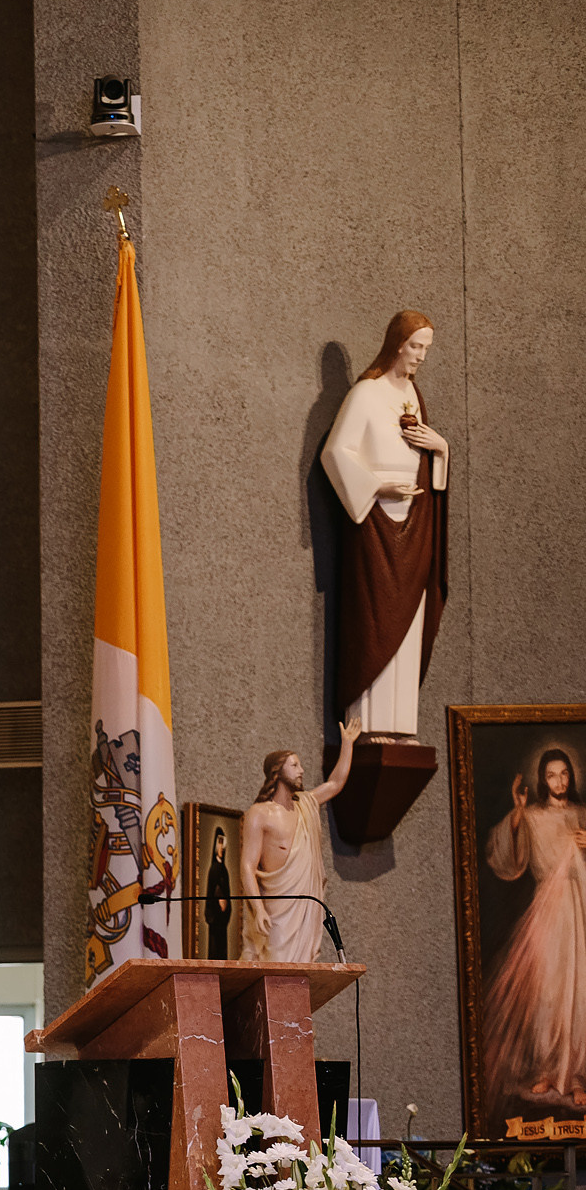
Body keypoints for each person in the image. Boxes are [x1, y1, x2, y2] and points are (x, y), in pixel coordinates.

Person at [321, 311, 449, 739]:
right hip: (374, 522)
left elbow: (427, 465)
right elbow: (335, 453)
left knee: (410, 623)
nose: (421, 356)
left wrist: (441, 449)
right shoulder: (366, 394)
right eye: (416, 346)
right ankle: (368, 728)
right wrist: (378, 486)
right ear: (397, 343)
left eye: (427, 348)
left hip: (415, 524)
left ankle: (401, 727)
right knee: (376, 618)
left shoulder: (413, 395)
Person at [481, 748, 586, 1110]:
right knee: (547, 993)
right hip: (547, 911)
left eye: (564, 773)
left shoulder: (581, 815)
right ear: (543, 779)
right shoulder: (533, 816)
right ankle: (547, 1068)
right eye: (552, 775)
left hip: (579, 907)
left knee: (578, 991)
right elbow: (506, 856)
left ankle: (575, 1075)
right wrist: (517, 812)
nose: (559, 781)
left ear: (571, 776)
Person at [239, 719, 361, 963]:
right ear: (277, 771)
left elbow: (335, 784)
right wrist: (258, 908)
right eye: (294, 765)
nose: (301, 770)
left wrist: (347, 744)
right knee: (275, 968)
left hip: (304, 910)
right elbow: (247, 866)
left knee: (301, 973)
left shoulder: (305, 805)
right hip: (276, 912)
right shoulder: (259, 814)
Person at [203, 827, 234, 959]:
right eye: (219, 844)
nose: (221, 848)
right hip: (215, 915)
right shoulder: (213, 869)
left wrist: (226, 906)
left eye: (223, 844)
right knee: (214, 946)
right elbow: (211, 891)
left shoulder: (224, 870)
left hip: (222, 917)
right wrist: (217, 903)